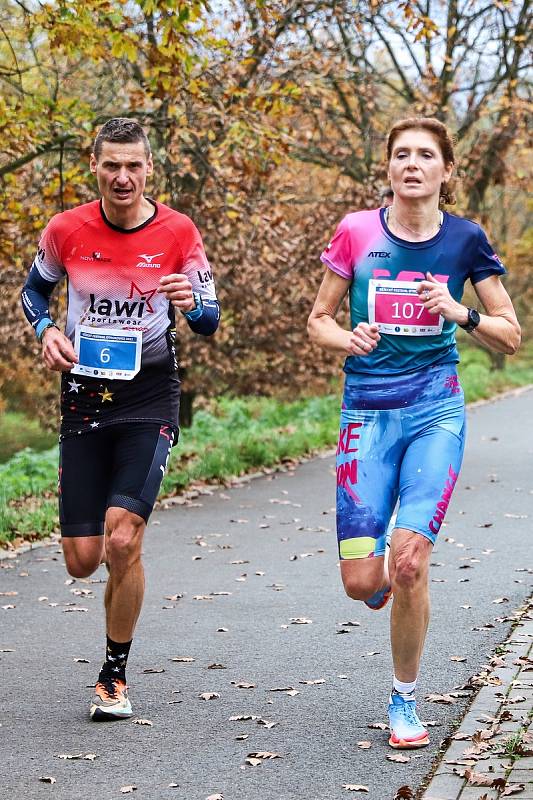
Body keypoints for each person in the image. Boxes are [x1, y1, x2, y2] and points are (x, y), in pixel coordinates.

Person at [308, 117, 520, 749]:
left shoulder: (465, 241)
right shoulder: (356, 233)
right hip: (366, 413)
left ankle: (403, 699)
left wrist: (461, 313)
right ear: (389, 168)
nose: (412, 164)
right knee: (361, 581)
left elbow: (510, 335)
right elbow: (317, 320)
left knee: (409, 562)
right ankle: (383, 592)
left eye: (426, 155)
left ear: (444, 171)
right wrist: (349, 337)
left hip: (435, 409)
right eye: (401, 154)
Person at [21, 118, 220, 720]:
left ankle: (113, 676)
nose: (123, 177)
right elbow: (33, 292)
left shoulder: (179, 232)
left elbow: (210, 318)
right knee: (83, 558)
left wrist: (194, 304)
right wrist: (46, 329)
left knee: (123, 537)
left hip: (149, 397)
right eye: (112, 165)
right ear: (95, 165)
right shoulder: (66, 230)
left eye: (134, 165)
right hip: (84, 397)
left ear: (150, 168)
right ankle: (114, 547)